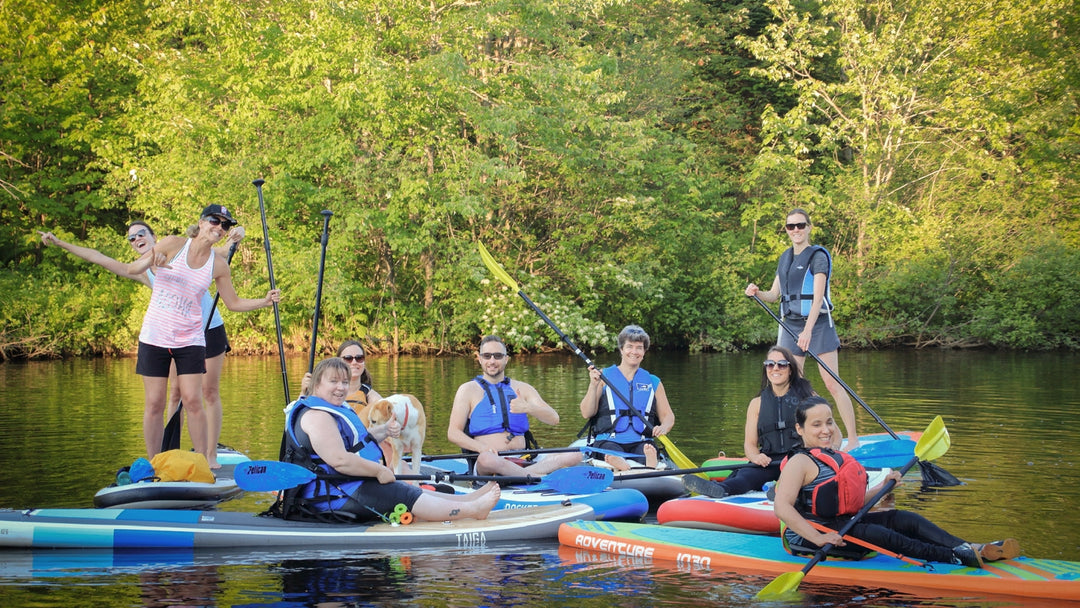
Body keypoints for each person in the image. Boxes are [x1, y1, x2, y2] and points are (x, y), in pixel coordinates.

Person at [40, 221, 244, 468]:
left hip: (208, 328)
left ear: (154, 237)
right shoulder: (143, 268)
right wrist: (60, 242)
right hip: (174, 336)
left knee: (206, 393)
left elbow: (219, 251)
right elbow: (99, 258)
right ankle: (169, 456)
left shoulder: (178, 249)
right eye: (131, 238)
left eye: (141, 234)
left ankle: (210, 457)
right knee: (175, 395)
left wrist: (235, 237)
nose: (136, 239)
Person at [773, 396, 1020, 567]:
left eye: (829, 422)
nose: (825, 430)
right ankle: (957, 557)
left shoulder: (835, 455)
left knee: (905, 519)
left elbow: (851, 503)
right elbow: (782, 507)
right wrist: (818, 539)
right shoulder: (800, 462)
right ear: (800, 429)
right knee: (883, 534)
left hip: (841, 524)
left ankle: (970, 546)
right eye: (816, 425)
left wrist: (881, 489)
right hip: (812, 535)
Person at [126, 204, 279, 464]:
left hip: (200, 335)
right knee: (164, 399)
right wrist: (152, 260)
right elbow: (130, 268)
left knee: (199, 396)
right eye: (214, 221)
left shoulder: (205, 258)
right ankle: (161, 460)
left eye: (224, 225)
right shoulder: (162, 256)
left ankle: (206, 460)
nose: (219, 228)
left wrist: (263, 300)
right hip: (166, 336)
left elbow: (229, 290)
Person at [279, 357, 499, 522]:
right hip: (334, 495)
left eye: (345, 382)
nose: (341, 387)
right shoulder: (317, 416)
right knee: (402, 492)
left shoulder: (330, 410)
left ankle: (470, 501)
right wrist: (378, 470)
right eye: (334, 381)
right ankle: (472, 511)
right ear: (317, 384)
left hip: (343, 484)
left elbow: (357, 442)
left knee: (408, 490)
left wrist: (383, 430)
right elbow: (340, 461)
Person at [745, 208, 860, 450]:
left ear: (808, 227)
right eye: (790, 226)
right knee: (797, 384)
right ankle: (815, 436)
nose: (795, 230)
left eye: (800, 225)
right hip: (791, 324)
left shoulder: (817, 256)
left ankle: (852, 439)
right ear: (786, 230)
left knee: (832, 383)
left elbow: (818, 298)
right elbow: (774, 295)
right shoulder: (785, 257)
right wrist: (757, 293)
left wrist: (807, 331)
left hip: (817, 325)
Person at [683, 345, 825, 498]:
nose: (775, 369)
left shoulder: (808, 398)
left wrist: (820, 455)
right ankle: (721, 488)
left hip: (800, 459)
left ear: (790, 369)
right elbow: (750, 445)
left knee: (796, 474)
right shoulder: (756, 404)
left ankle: (783, 491)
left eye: (782, 364)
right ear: (766, 369)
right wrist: (756, 457)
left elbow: (831, 433)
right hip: (770, 462)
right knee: (745, 477)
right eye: (770, 364)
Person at [447, 335, 583, 477]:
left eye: (498, 356)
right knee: (487, 460)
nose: (492, 361)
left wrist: (528, 408)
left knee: (574, 455)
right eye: (487, 356)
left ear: (506, 359)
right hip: (492, 461)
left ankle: (520, 474)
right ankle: (535, 475)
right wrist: (481, 448)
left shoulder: (523, 388)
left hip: (524, 458)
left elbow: (554, 418)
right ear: (480, 359)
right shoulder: (467, 390)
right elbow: (453, 433)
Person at [579, 325, 675, 471]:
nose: (634, 352)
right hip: (608, 440)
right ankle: (619, 462)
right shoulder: (602, 376)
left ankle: (648, 462)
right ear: (621, 350)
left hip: (642, 441)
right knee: (609, 449)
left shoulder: (653, 381)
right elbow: (586, 412)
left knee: (646, 449)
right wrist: (593, 385)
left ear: (644, 352)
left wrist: (663, 428)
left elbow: (668, 416)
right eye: (629, 346)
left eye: (639, 348)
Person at [299, 340, 384, 416]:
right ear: (338, 361)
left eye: (359, 358)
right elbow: (299, 412)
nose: (354, 362)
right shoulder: (322, 391)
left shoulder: (370, 395)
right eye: (348, 358)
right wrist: (303, 392)